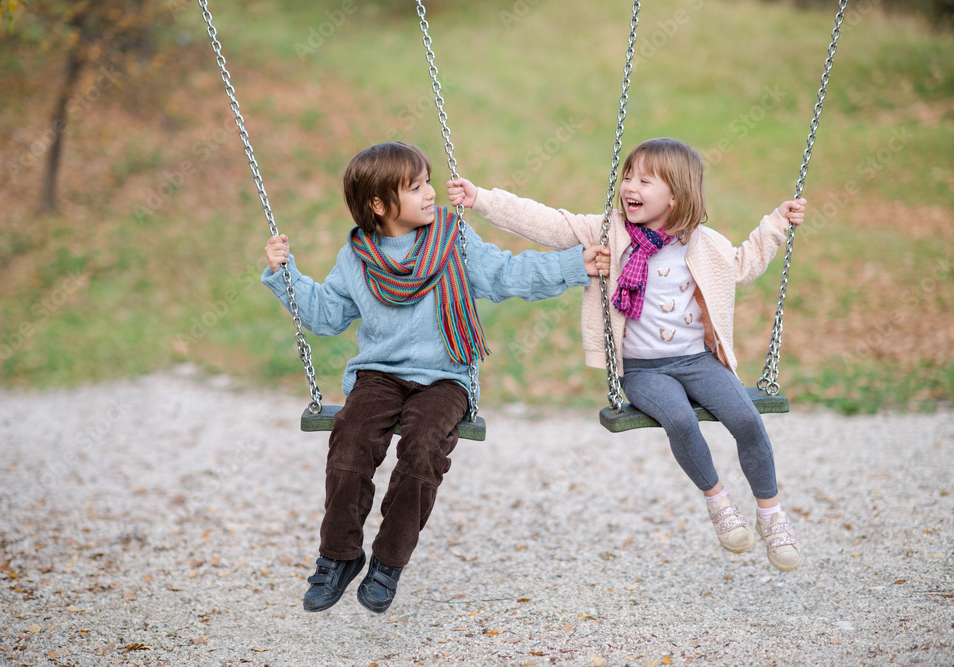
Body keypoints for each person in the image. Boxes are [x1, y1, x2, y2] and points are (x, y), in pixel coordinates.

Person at [262, 141, 603, 613]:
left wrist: (572, 265)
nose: (430, 194)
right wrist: (286, 275)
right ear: (379, 206)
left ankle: (388, 561)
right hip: (379, 374)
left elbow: (507, 273)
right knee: (350, 439)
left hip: (445, 377)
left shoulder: (453, 240)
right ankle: (338, 555)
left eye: (427, 182)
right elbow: (324, 315)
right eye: (416, 187)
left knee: (423, 447)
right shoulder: (356, 259)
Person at [448, 137, 806, 571]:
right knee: (678, 418)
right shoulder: (609, 233)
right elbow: (547, 222)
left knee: (747, 418)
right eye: (628, 176)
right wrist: (482, 199)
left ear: (676, 195)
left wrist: (776, 224)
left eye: (645, 180)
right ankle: (719, 502)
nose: (629, 187)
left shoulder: (704, 243)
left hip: (697, 361)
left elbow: (744, 263)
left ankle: (771, 515)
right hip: (642, 371)